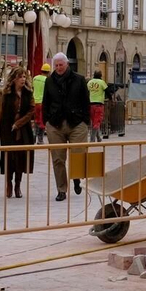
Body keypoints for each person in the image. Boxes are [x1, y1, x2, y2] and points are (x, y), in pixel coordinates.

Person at [42, 52, 90, 201]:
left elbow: (85, 101)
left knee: (78, 154)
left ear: (67, 64)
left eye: (61, 65)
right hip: (55, 123)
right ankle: (61, 189)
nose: (58, 68)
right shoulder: (49, 81)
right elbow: (45, 102)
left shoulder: (79, 79)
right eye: (56, 65)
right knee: (58, 159)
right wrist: (46, 121)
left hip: (76, 123)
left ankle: (76, 178)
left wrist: (85, 121)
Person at [0, 65, 35, 198]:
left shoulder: (28, 93)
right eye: (20, 77)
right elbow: (0, 112)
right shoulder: (6, 94)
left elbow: (31, 111)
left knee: (20, 157)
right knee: (8, 158)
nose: (23, 79)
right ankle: (9, 184)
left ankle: (18, 184)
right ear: (13, 79)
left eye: (24, 77)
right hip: (7, 129)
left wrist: (19, 123)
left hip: (23, 130)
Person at [30, 61, 50, 145]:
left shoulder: (35, 78)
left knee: (36, 120)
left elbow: (32, 88)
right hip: (43, 103)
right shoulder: (47, 80)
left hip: (35, 102)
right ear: (48, 72)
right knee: (42, 122)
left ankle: (34, 136)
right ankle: (40, 140)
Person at [87, 70, 108, 142]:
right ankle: (92, 139)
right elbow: (107, 91)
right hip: (99, 104)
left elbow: (86, 92)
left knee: (94, 121)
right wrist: (111, 99)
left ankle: (98, 137)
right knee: (97, 122)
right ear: (101, 75)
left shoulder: (90, 82)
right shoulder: (102, 82)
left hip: (91, 104)